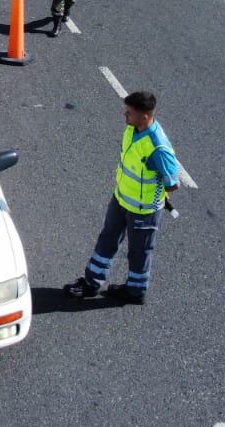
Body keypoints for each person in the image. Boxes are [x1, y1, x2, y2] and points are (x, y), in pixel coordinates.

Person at [64, 91, 181, 305]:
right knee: (107, 239)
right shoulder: (132, 129)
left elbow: (174, 182)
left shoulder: (157, 147)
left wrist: (160, 190)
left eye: (129, 112)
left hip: (144, 210)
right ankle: (91, 282)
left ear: (144, 116)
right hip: (121, 199)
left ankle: (135, 291)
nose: (125, 115)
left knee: (139, 252)